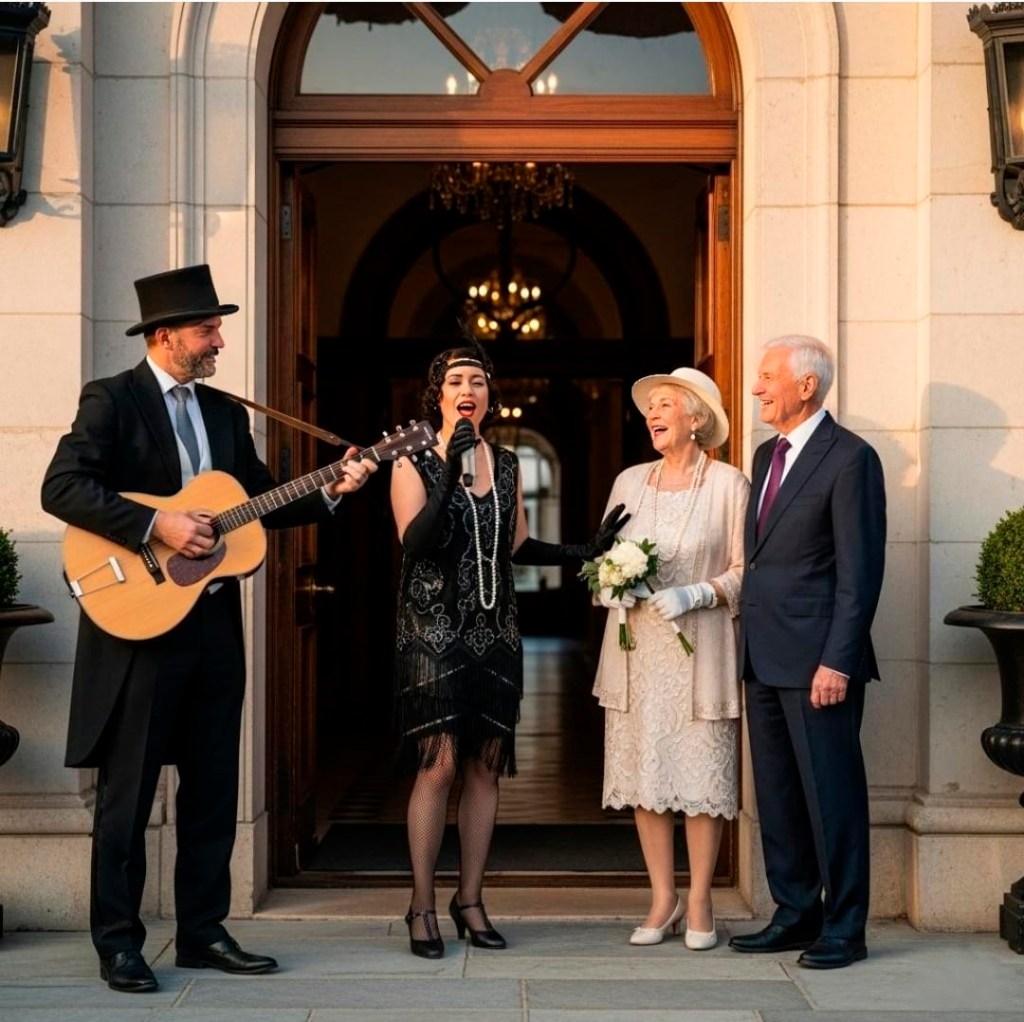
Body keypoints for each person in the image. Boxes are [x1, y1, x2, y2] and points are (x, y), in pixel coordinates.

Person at [40, 264, 376, 993]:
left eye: (217, 327)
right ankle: (119, 942)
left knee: (214, 784)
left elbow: (254, 501)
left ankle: (202, 931)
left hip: (214, 623)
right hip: (138, 625)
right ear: (166, 337)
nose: (219, 339)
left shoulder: (225, 412)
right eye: (207, 328)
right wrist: (156, 520)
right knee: (127, 794)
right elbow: (62, 488)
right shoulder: (113, 401)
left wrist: (331, 490)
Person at [390, 342, 629, 959]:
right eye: (455, 380)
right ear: (437, 394)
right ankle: (420, 904)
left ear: (490, 395)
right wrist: (448, 471)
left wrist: (584, 552)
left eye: (477, 380)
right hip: (433, 636)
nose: (467, 389)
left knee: (484, 768)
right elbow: (415, 542)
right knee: (438, 766)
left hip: (496, 635)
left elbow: (518, 545)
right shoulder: (411, 459)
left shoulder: (506, 464)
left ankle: (469, 900)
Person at [729, 334, 885, 970]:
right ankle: (795, 913)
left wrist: (838, 660)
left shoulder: (852, 459)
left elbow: (860, 572)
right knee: (779, 796)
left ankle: (845, 928)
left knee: (832, 798)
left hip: (820, 662)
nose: (758, 387)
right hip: (762, 656)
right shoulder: (766, 455)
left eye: (768, 376)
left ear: (807, 385)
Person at [592, 368, 749, 951]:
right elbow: (600, 558)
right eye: (649, 408)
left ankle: (702, 898)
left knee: (701, 776)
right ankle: (663, 898)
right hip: (636, 650)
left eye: (664, 405)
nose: (652, 415)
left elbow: (744, 570)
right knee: (645, 777)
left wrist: (699, 592)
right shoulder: (630, 482)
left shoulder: (731, 485)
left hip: (701, 645)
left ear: (696, 417)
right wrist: (612, 585)